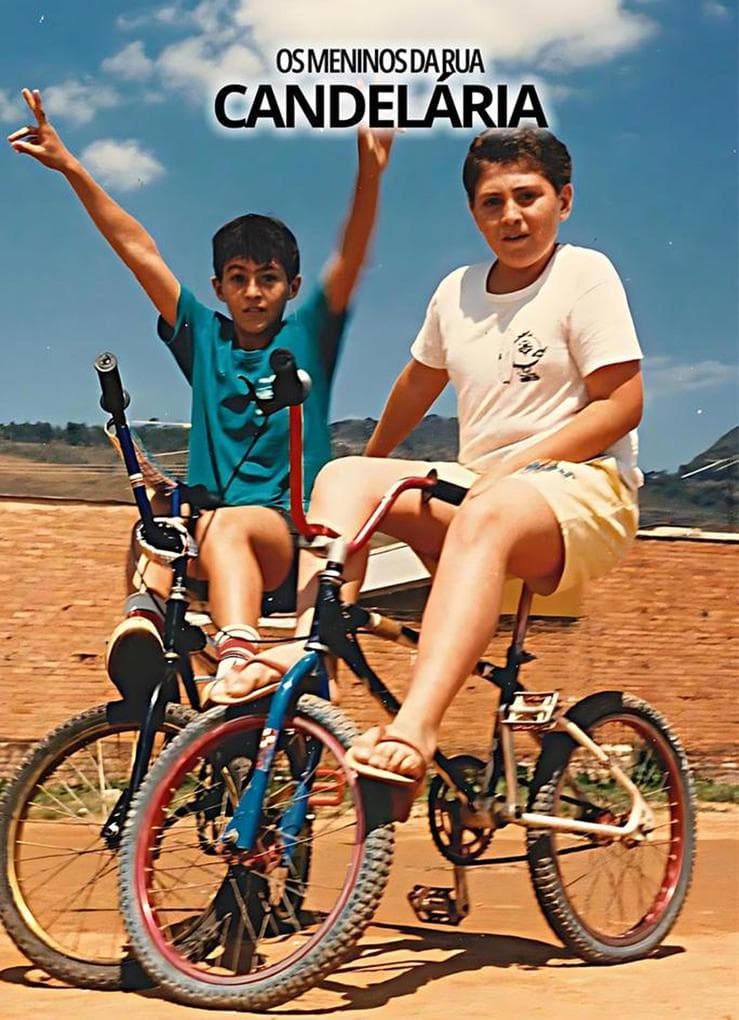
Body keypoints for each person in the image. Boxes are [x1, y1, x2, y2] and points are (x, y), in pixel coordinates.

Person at [234, 126, 644, 800]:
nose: (511, 216)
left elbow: (622, 405)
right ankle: (314, 660)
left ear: (563, 201)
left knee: (487, 508)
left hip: (584, 492)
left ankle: (415, 732)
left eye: (528, 196)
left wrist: (514, 469)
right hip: (485, 493)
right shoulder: (456, 291)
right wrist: (364, 482)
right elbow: (415, 386)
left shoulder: (584, 273)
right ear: (474, 213)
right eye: (492, 202)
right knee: (341, 477)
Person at [8, 87, 392, 703]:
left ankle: (237, 656)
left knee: (229, 529)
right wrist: (71, 166)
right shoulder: (205, 338)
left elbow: (350, 256)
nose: (253, 292)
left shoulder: (307, 335)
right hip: (210, 535)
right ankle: (146, 634)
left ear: (292, 286)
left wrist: (370, 175)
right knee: (156, 524)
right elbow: (138, 250)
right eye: (238, 279)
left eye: (268, 279)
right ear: (218, 287)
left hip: (289, 539)